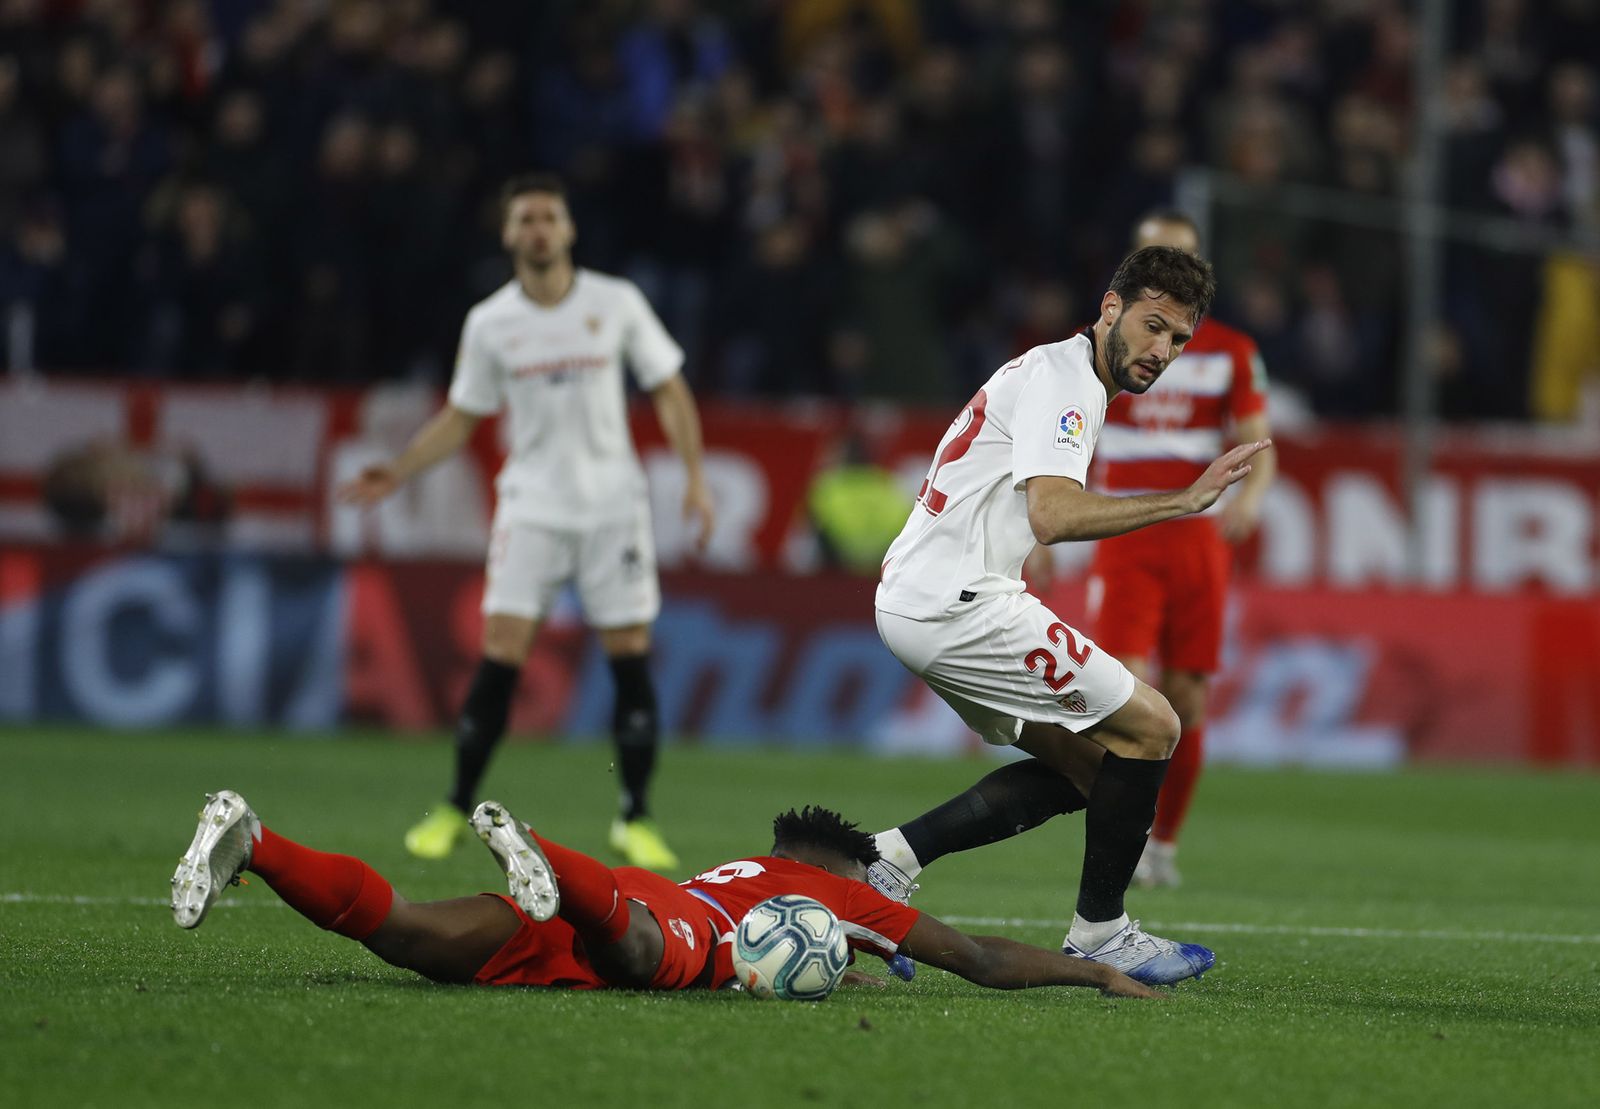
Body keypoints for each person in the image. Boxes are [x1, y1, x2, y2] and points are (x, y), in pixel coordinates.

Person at [868, 245, 1270, 985]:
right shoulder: (1068, 381)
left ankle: (886, 861)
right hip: (961, 602)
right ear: (1110, 308)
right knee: (1154, 727)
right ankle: (1102, 933)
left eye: (1177, 340)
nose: (1161, 351)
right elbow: (1050, 514)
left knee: (1097, 770)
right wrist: (1182, 501)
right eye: (1152, 327)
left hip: (919, 598)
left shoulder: (1054, 370)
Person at [338, 173, 715, 870]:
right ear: (509, 234)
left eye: (549, 216)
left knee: (629, 654)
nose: (539, 229)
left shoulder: (616, 302)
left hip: (612, 505)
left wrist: (694, 477)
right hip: (532, 505)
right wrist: (399, 469)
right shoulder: (491, 322)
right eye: (526, 219)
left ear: (568, 229)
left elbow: (668, 386)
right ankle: (454, 804)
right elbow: (462, 415)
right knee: (501, 651)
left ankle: (635, 815)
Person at [169, 790, 1164, 997]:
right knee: (648, 958)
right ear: (845, 874)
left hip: (623, 897)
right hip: (655, 918)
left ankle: (257, 841)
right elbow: (979, 957)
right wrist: (1088, 972)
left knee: (399, 929)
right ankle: (549, 857)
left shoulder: (751, 867)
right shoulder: (835, 896)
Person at [1089, 211, 1276, 889]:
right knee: (1126, 688)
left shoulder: (1227, 349)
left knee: (1188, 695)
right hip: (1123, 526)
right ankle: (1126, 833)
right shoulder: (1107, 340)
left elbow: (1258, 435)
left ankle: (1163, 843)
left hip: (1196, 532)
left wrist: (1250, 499)